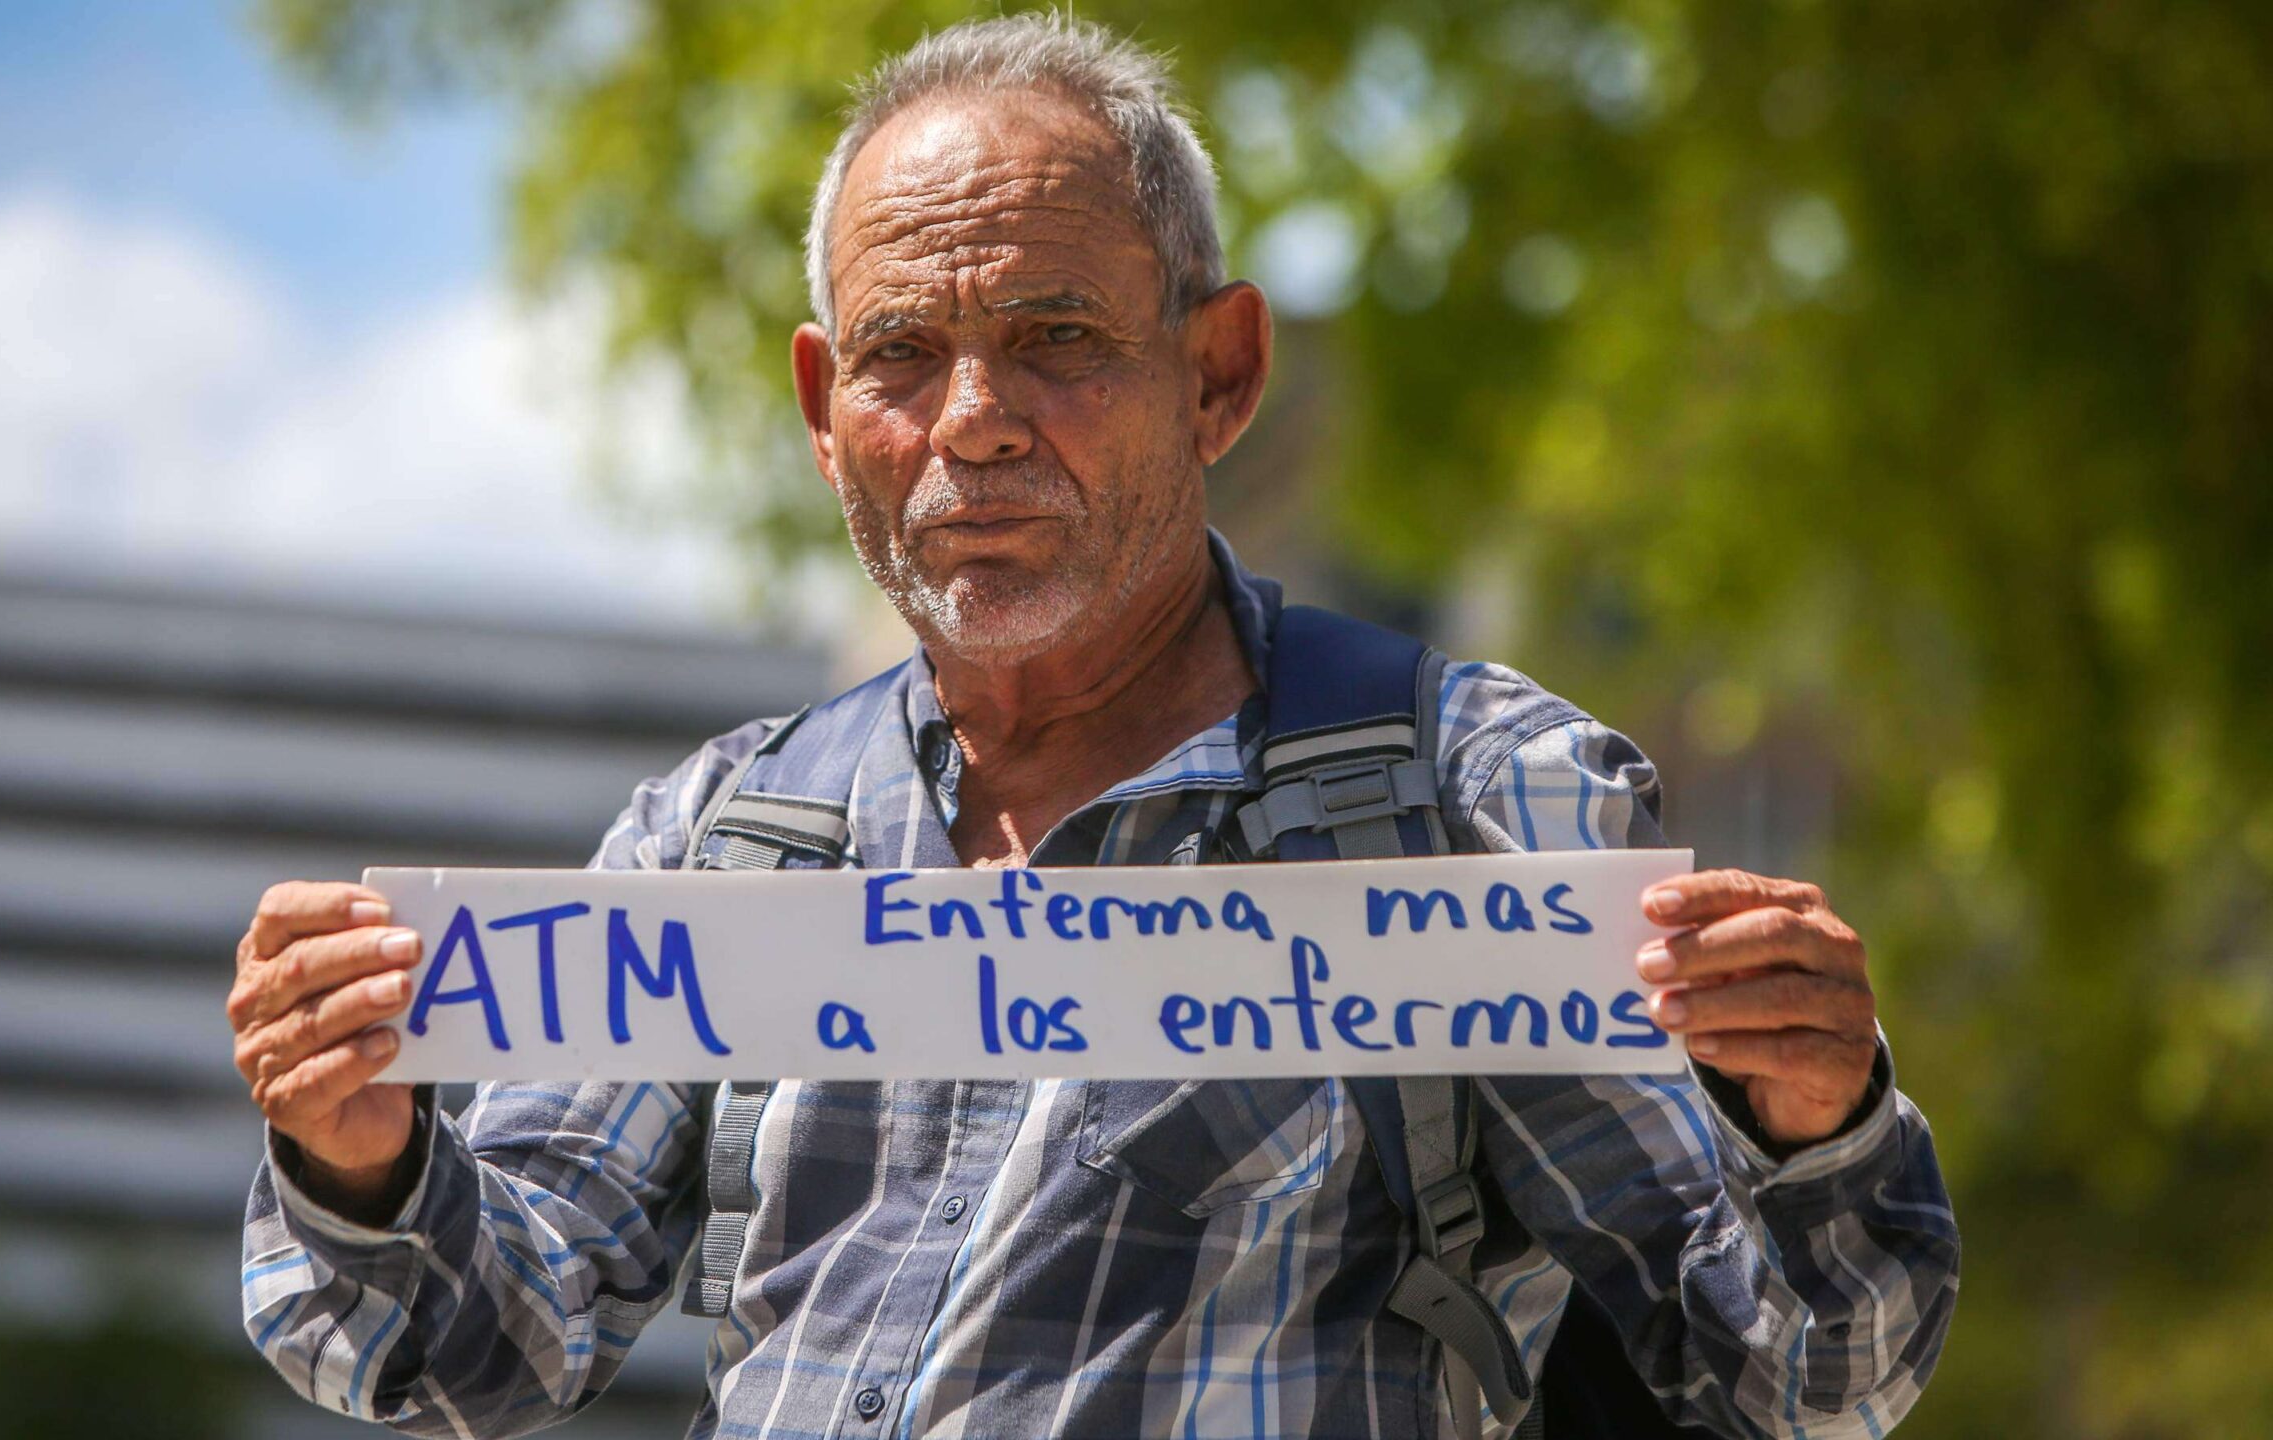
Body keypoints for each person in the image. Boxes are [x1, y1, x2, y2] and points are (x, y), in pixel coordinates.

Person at [227, 15, 1958, 1438]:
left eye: (1057, 338)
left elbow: (1799, 1378)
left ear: (1219, 377)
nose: (975, 422)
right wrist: (362, 1153)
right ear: (829, 416)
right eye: (905, 355)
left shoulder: (1477, 804)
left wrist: (1821, 1127)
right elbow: (468, 1359)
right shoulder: (729, 840)